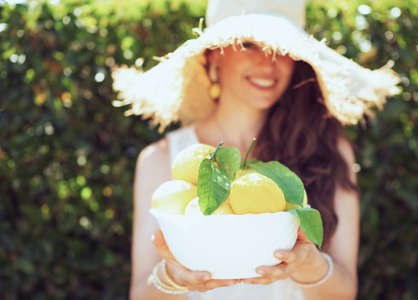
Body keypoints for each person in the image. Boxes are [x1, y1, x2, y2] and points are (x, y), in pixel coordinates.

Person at [112, 0, 400, 299]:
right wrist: (172, 277)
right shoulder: (161, 160)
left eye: (282, 49)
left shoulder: (326, 149)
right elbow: (140, 294)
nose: (268, 61)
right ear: (212, 56)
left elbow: (344, 292)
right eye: (248, 45)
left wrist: (310, 266)